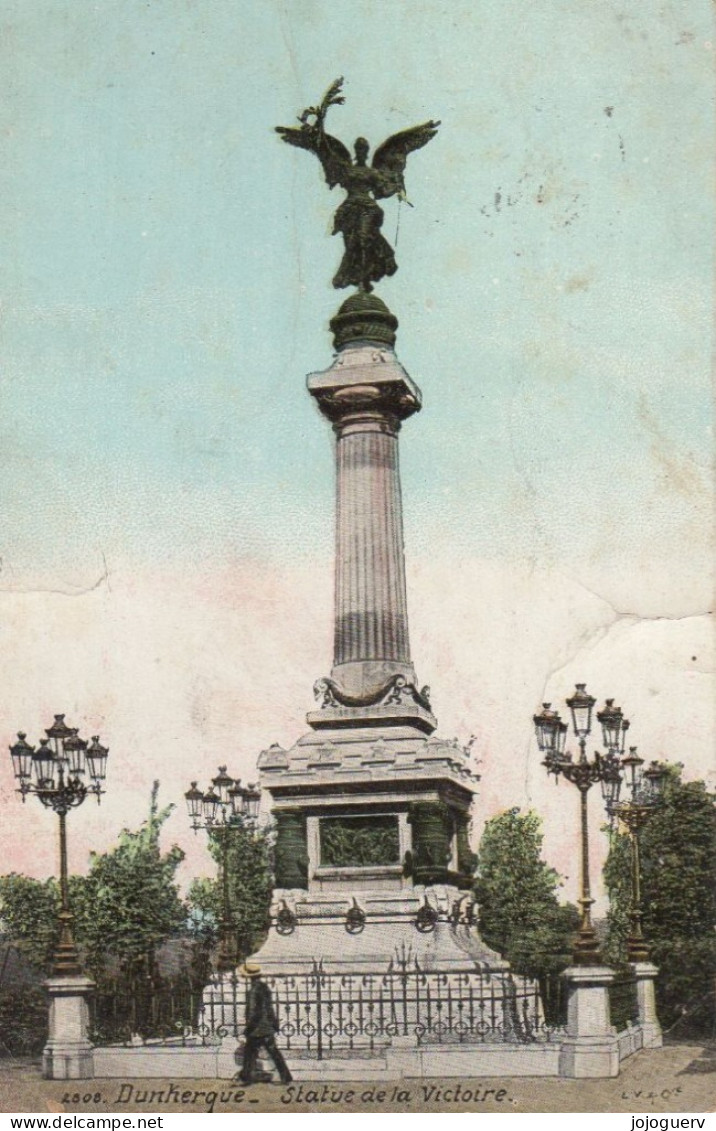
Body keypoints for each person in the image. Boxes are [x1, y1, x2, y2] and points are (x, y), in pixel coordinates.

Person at [238, 962, 292, 1085]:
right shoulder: (264, 987)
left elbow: (253, 1012)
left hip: (257, 1028)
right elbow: (269, 1008)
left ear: (249, 977)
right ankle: (286, 1076)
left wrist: (248, 1029)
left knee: (249, 1053)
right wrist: (274, 1024)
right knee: (273, 1052)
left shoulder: (252, 991)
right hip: (267, 1026)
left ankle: (245, 1078)